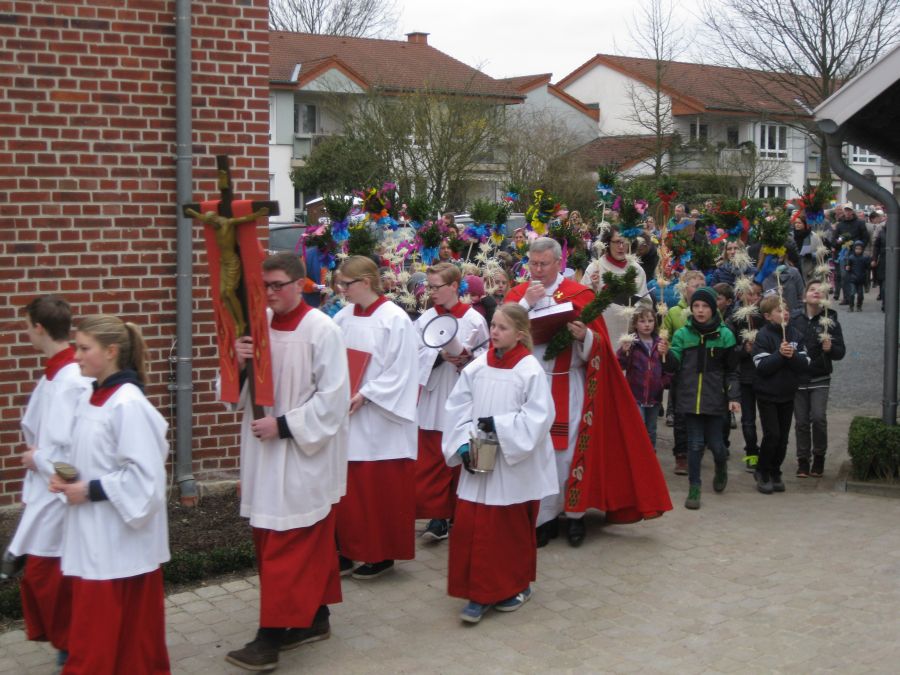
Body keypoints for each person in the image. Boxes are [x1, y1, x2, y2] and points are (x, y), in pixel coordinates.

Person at [224, 252, 350, 671]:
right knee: (278, 540)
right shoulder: (256, 326)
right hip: (264, 454)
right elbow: (231, 394)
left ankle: (269, 638)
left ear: (301, 284)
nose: (271, 293)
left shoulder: (322, 330)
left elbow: (333, 400)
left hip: (300, 453)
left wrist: (284, 426)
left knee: (289, 545)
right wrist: (237, 362)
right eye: (266, 286)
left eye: (279, 285)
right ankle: (315, 618)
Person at [505, 237, 670, 547]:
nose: (537, 270)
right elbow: (501, 332)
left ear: (558, 264)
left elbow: (602, 346)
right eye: (533, 263)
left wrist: (584, 337)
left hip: (569, 383)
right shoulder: (517, 294)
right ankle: (545, 518)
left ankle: (576, 515)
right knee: (538, 454)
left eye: (543, 264)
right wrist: (525, 304)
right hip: (530, 386)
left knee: (567, 454)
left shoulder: (578, 294)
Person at [50, 315, 170, 673]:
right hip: (96, 541)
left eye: (85, 348)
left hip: (119, 550)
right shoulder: (95, 396)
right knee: (108, 644)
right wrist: (65, 480)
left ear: (112, 351)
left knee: (105, 647)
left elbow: (146, 480)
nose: (76, 357)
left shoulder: (127, 404)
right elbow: (93, 457)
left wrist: (87, 489)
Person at [442, 303, 557, 624]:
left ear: (520, 334)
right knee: (470, 526)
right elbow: (458, 406)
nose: (493, 332)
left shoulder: (529, 369)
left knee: (505, 529)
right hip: (480, 453)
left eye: (502, 328)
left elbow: (540, 417)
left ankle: (513, 587)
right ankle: (475, 590)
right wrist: (463, 444)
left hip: (512, 465)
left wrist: (501, 428)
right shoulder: (478, 366)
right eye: (492, 325)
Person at [4, 296, 91, 667]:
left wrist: (34, 458)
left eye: (26, 326)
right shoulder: (54, 373)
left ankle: (71, 653)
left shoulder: (70, 379)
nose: (26, 332)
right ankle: (66, 650)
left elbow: (71, 451)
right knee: (44, 578)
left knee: (49, 578)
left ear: (38, 328)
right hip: (45, 490)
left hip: (58, 493)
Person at [332, 256, 420, 579]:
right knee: (348, 491)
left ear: (365, 283)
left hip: (382, 420)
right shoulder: (342, 318)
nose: (341, 290)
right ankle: (347, 549)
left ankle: (380, 554)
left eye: (346, 284)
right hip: (348, 415)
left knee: (376, 490)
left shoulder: (395, 319)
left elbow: (404, 370)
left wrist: (366, 394)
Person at [413, 263, 489, 542]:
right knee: (433, 459)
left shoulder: (474, 319)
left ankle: (463, 513)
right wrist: (438, 357)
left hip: (464, 394)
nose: (431, 292)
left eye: (436, 287)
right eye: (429, 287)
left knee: (463, 454)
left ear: (455, 286)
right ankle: (437, 516)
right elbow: (412, 353)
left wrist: (469, 358)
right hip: (434, 396)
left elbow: (487, 353)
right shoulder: (424, 319)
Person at [663, 288, 740, 510]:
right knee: (694, 445)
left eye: (705, 306)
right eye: (696, 306)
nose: (700, 310)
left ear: (713, 308)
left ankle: (721, 466)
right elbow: (672, 367)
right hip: (689, 398)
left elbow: (732, 370)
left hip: (715, 399)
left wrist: (733, 396)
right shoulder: (682, 335)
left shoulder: (725, 335)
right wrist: (665, 353)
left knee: (717, 445)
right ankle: (694, 486)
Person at [752, 295, 810, 494]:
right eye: (779, 310)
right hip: (767, 393)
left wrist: (791, 355)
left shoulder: (796, 334)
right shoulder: (763, 336)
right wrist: (779, 355)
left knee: (784, 437)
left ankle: (776, 470)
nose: (784, 313)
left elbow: (805, 364)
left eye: (786, 309)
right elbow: (762, 366)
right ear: (768, 316)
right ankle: (762, 470)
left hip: (788, 392)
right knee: (772, 434)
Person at [789, 281, 845, 478]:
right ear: (804, 296)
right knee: (801, 421)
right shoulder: (794, 319)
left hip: (820, 376)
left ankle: (819, 456)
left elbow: (840, 352)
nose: (816, 293)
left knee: (819, 418)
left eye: (820, 291)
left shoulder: (830, 321)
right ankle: (803, 460)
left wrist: (831, 349)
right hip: (798, 377)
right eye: (812, 289)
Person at [662, 270, 705, 472]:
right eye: (695, 286)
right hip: (682, 367)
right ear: (684, 288)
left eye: (702, 286)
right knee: (681, 413)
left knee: (702, 411)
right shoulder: (673, 312)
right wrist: (668, 350)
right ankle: (681, 454)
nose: (699, 290)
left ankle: (697, 447)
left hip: (704, 368)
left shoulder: (711, 310)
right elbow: (666, 336)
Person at [583, 226, 650, 345]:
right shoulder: (595, 268)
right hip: (602, 334)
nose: (621, 246)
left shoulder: (637, 270)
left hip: (629, 337)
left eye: (625, 242)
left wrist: (635, 310)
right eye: (617, 242)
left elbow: (646, 304)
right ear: (608, 243)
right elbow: (582, 303)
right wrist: (593, 288)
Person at [616, 307, 670, 451]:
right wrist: (623, 351)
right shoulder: (631, 344)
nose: (647, 324)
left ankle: (650, 457)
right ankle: (637, 456)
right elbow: (619, 365)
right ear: (635, 324)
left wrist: (662, 382)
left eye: (650, 321)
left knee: (651, 429)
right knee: (638, 426)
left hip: (654, 395)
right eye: (642, 321)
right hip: (635, 394)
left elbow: (668, 367)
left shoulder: (661, 343)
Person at [726, 280, 765, 472]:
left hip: (765, 374)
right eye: (750, 294)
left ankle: (766, 452)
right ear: (741, 295)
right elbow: (728, 348)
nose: (754, 298)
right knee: (748, 418)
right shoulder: (734, 318)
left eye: (758, 295)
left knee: (767, 419)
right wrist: (743, 349)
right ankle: (751, 452)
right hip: (745, 375)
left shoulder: (765, 317)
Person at [843, 240, 872, 312]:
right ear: (854, 249)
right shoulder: (851, 258)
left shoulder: (864, 258)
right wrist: (847, 268)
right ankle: (851, 306)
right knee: (852, 293)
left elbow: (868, 268)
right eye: (857, 249)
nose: (858, 250)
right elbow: (847, 267)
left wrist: (870, 263)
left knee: (860, 295)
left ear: (862, 249)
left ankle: (859, 306)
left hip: (861, 279)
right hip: (853, 279)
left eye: (860, 249)